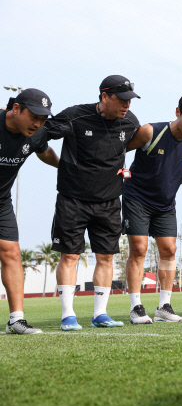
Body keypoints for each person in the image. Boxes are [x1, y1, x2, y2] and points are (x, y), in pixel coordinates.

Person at [44, 75, 141, 330]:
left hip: (109, 202)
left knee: (106, 258)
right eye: (121, 100)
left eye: (130, 100)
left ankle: (100, 314)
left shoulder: (131, 122)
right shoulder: (75, 116)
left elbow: (133, 146)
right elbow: (39, 134)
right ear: (104, 97)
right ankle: (68, 316)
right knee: (70, 255)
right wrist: (59, 164)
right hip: (72, 200)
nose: (127, 105)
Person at [122, 93, 182, 324]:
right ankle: (136, 307)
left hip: (166, 204)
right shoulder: (151, 131)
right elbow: (120, 151)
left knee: (169, 250)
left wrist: (175, 180)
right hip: (137, 198)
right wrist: (121, 175)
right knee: (139, 249)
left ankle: (164, 307)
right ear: (178, 112)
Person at [1, 89, 59, 334]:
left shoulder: (36, 134)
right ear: (16, 109)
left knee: (12, 252)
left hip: (1, 201)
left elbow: (44, 152)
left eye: (43, 119)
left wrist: (65, 167)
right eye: (34, 117)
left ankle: (16, 320)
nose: (38, 124)